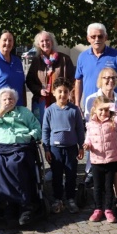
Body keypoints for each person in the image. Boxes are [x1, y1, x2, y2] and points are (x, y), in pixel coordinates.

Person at [0, 87, 42, 226]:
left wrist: (29, 136)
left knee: (16, 164)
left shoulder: (24, 112)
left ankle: (24, 204)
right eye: (5, 99)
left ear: (16, 100)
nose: (8, 101)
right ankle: (9, 202)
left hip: (20, 146)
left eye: (11, 99)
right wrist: (0, 113)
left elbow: (37, 128)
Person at [84, 67, 117, 218]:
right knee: (109, 174)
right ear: (100, 81)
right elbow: (90, 125)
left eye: (113, 77)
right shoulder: (92, 99)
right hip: (100, 141)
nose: (110, 80)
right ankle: (109, 203)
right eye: (106, 78)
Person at [41, 78, 84, 214]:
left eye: (65, 92)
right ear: (54, 92)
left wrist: (81, 146)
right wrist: (47, 148)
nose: (62, 95)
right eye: (59, 91)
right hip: (55, 149)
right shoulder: (49, 110)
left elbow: (79, 129)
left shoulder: (74, 110)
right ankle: (57, 198)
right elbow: (45, 130)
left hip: (71, 148)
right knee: (57, 175)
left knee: (71, 174)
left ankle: (70, 198)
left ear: (69, 93)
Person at [83, 95, 117, 223]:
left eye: (106, 110)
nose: (103, 113)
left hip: (111, 160)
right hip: (96, 161)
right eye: (100, 110)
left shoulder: (113, 121)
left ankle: (108, 209)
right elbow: (88, 138)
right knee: (97, 187)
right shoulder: (90, 124)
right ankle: (98, 209)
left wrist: (110, 105)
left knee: (108, 187)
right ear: (95, 110)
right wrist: (87, 145)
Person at [74, 22, 117, 110]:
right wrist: (77, 104)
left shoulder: (115, 55)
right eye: (93, 36)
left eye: (100, 36)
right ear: (88, 38)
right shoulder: (82, 57)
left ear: (106, 37)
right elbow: (78, 81)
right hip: (90, 106)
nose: (97, 39)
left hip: (111, 107)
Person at [26, 31, 76, 123]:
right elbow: (29, 81)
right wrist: (39, 90)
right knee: (43, 129)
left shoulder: (64, 59)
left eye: (47, 40)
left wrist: (68, 95)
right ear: (38, 44)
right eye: (42, 41)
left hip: (61, 101)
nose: (45, 43)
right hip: (42, 102)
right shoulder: (36, 61)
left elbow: (73, 80)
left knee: (60, 127)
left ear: (52, 42)